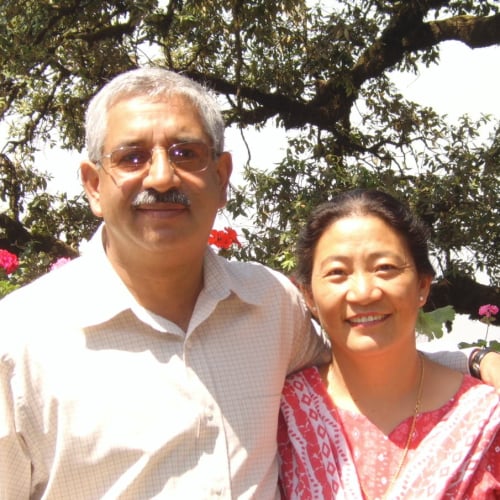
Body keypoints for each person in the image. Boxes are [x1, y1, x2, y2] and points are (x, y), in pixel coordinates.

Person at [0, 69, 498, 499]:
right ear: (93, 184)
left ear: (222, 177)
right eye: (132, 157)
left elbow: (365, 350)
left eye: (185, 153)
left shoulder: (269, 304)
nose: (161, 176)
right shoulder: (19, 342)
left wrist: (474, 361)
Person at [278, 189, 500, 499]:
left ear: (423, 285)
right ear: (309, 296)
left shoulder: (487, 417)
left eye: (385, 268)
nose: (363, 292)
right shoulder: (279, 417)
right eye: (337, 272)